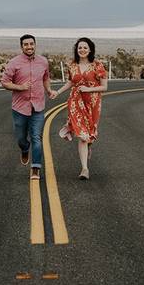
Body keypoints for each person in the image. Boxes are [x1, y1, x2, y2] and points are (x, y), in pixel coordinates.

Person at [1, 34, 57, 180]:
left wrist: (49, 90)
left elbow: (46, 78)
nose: (29, 46)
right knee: (21, 138)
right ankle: (25, 149)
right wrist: (20, 87)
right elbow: (4, 82)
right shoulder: (14, 63)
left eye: (31, 44)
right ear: (21, 47)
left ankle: (36, 168)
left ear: (35, 45)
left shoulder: (43, 61)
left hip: (38, 105)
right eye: (26, 44)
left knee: (36, 137)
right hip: (20, 107)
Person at [51, 37, 108, 180]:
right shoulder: (73, 65)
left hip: (93, 103)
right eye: (80, 47)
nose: (82, 50)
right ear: (77, 50)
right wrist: (58, 92)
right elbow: (71, 82)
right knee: (82, 135)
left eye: (85, 47)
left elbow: (105, 87)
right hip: (76, 102)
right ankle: (84, 169)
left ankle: (89, 144)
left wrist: (88, 89)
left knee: (89, 133)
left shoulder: (98, 66)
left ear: (90, 50)